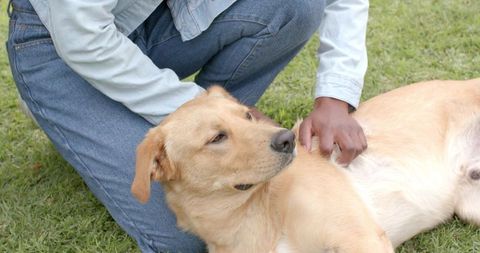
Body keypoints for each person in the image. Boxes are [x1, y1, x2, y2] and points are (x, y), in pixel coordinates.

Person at [6, 0, 369, 251]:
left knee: (298, 5)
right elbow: (82, 36)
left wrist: (336, 96)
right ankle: (75, 114)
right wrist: (205, 112)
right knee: (188, 232)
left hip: (163, 15)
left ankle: (217, 136)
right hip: (61, 42)